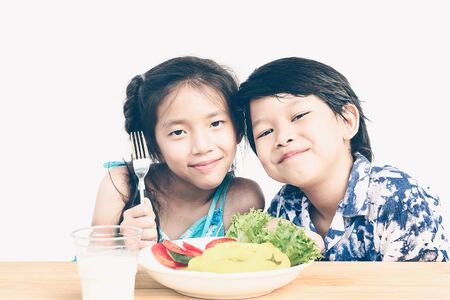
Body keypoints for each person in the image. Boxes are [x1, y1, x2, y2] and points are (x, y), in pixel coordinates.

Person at [236, 57, 449, 261]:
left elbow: (424, 289)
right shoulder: (285, 204)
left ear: (347, 121)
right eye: (265, 132)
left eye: (298, 116)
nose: (282, 138)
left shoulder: (397, 197)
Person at [92, 56, 265, 249]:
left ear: (238, 129)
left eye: (215, 124)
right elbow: (91, 264)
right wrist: (123, 247)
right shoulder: (121, 185)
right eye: (178, 132)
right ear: (154, 146)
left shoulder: (242, 198)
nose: (202, 147)